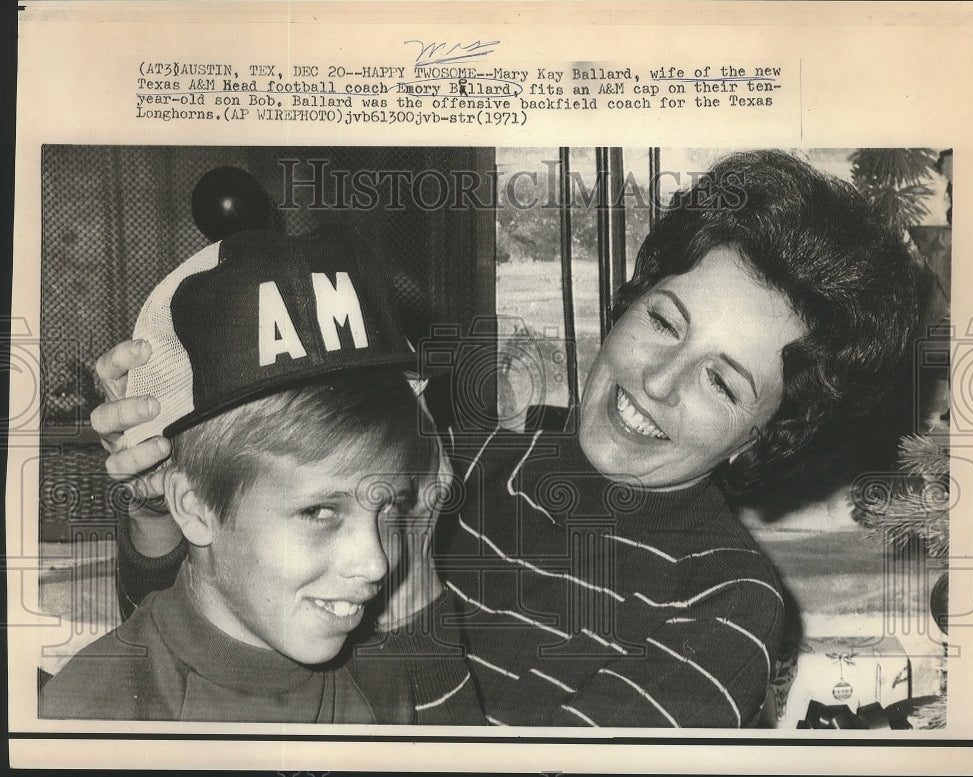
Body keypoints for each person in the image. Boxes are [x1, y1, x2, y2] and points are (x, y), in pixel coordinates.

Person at [90, 150, 919, 727]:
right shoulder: (466, 458)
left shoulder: (729, 608)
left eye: (720, 380)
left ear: (761, 435)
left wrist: (417, 610)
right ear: (628, 302)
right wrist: (161, 503)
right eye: (665, 320)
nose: (658, 381)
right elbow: (187, 652)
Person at [40, 230, 480, 723]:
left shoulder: (382, 687)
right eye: (320, 511)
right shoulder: (92, 711)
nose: (376, 563)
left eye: (390, 504)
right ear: (192, 505)